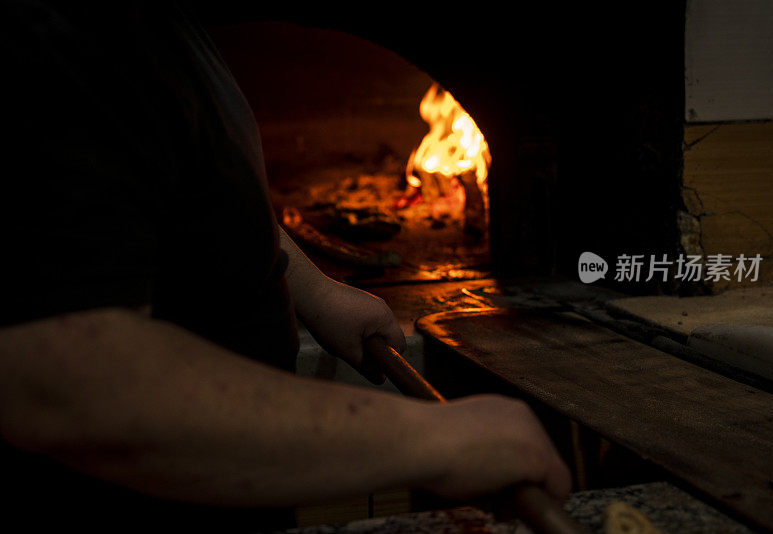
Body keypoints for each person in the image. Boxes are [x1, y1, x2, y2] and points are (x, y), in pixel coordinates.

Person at [0, 1, 571, 531]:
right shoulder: (55, 24)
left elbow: (175, 185)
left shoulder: (145, 23)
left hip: (216, 487)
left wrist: (313, 289)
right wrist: (431, 442)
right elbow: (64, 383)